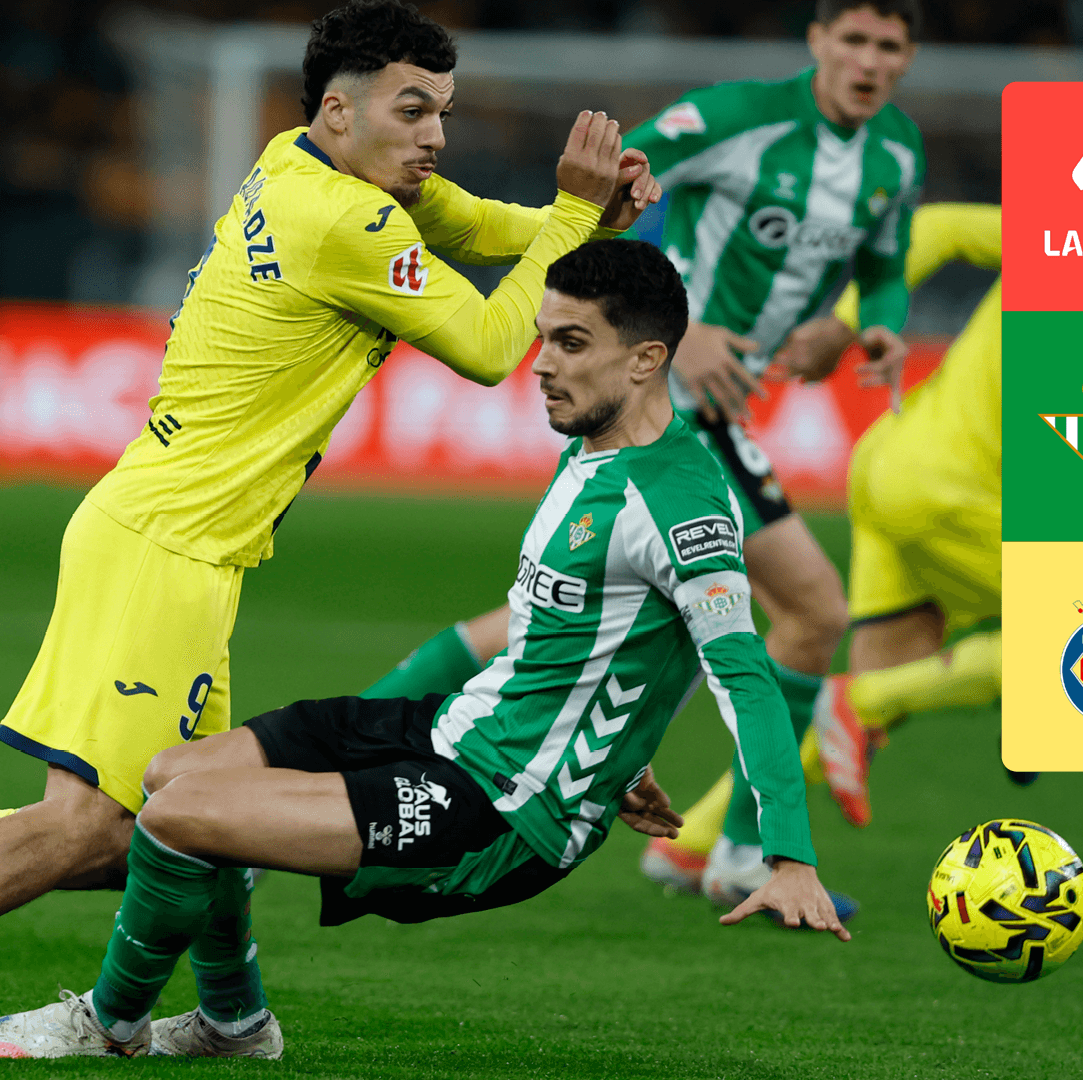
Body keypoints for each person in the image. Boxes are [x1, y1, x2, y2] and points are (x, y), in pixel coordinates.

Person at [0, 0, 664, 1052]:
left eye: (444, 112)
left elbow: (475, 225)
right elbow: (483, 344)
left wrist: (587, 219)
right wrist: (571, 218)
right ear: (341, 111)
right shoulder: (345, 222)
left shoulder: (299, 162)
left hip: (181, 539)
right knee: (96, 824)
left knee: (199, 814)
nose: (435, 135)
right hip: (166, 543)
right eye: (412, 110)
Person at [0, 238, 849, 1060]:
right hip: (455, 730)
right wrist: (616, 757)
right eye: (543, 338)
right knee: (171, 775)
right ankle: (233, 1023)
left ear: (647, 359)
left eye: (572, 343)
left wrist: (789, 854)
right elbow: (592, 635)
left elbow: (744, 676)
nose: (541, 364)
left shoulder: (682, 505)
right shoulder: (596, 450)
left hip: (503, 810)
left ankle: (109, 1025)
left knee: (180, 819)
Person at [364, 0, 926, 909]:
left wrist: (875, 327)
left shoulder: (897, 152)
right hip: (664, 398)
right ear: (818, 40)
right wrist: (675, 327)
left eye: (888, 46)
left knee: (551, 617)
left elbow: (887, 263)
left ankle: (364, 737)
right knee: (815, 608)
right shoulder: (739, 117)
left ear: (908, 57)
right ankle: (739, 852)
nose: (869, 61)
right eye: (853, 39)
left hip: (729, 408)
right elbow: (619, 189)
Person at [641, 202, 1002, 892]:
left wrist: (847, 322)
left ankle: (705, 840)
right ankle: (861, 704)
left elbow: (938, 226)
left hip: (896, 456)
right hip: (967, 492)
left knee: (867, 668)